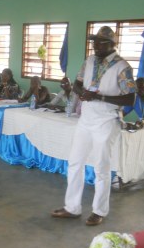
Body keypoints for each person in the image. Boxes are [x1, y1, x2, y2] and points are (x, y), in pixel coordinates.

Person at [51, 26, 136, 226]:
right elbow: (78, 82)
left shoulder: (122, 67)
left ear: (111, 45)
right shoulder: (89, 61)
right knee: (74, 162)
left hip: (106, 122)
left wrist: (98, 96)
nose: (95, 46)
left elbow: (130, 98)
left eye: (99, 42)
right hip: (86, 119)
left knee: (101, 168)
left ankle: (99, 211)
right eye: (94, 42)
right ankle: (72, 207)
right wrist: (80, 91)